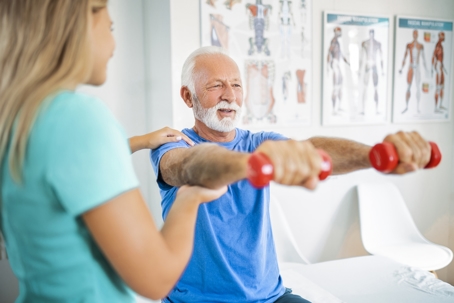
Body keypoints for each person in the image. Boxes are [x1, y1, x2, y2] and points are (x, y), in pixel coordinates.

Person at [150, 46, 432, 303]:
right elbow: (188, 165)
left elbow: (312, 151)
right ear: (188, 96)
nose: (230, 95)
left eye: (236, 84)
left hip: (270, 298)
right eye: (216, 85)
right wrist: (252, 164)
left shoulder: (260, 141)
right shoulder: (173, 143)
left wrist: (375, 155)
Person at [0, 1, 226, 302]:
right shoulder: (79, 118)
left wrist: (141, 140)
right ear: (77, 26)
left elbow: (66, 164)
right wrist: (189, 196)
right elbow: (157, 279)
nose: (114, 43)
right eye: (110, 27)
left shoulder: (17, 118)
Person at [399, 29, 428, 114]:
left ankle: (418, 107)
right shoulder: (409, 45)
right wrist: (401, 67)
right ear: (412, 35)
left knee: (418, 87)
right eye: (414, 34)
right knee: (408, 87)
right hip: (411, 66)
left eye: (416, 34)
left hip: (417, 67)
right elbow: (405, 56)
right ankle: (407, 106)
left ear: (417, 35)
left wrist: (426, 70)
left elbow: (423, 58)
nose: (415, 35)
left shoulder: (420, 45)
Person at [358, 29, 384, 115]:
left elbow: (381, 58)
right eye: (370, 34)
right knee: (365, 88)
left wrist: (383, 70)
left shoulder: (377, 44)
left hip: (374, 66)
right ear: (369, 34)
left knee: (376, 88)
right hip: (367, 66)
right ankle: (363, 109)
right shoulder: (365, 43)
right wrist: (359, 69)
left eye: (373, 33)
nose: (371, 35)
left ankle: (377, 109)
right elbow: (361, 57)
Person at [327, 27, 350, 115]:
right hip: (335, 65)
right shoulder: (333, 42)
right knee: (336, 88)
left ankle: (339, 106)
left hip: (339, 65)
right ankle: (333, 109)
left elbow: (341, 54)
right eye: (338, 32)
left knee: (340, 87)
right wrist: (328, 66)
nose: (340, 33)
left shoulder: (338, 43)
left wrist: (347, 62)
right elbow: (329, 52)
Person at [432, 31, 447, 113]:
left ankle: (440, 105)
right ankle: (435, 108)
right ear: (440, 36)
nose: (444, 38)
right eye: (443, 36)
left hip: (441, 65)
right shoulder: (437, 46)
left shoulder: (441, 46)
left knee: (442, 86)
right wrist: (433, 67)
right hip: (438, 66)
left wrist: (443, 66)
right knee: (438, 88)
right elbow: (434, 56)